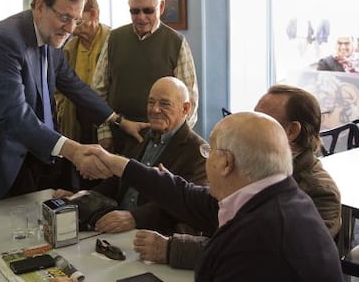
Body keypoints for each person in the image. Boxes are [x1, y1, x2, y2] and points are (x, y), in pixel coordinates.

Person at [0, 0, 148, 206]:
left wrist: (118, 120)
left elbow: (75, 86)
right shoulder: (4, 41)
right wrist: (73, 150)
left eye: (76, 20)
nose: (71, 28)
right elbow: (14, 115)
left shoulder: (52, 38)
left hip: (27, 152)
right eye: (64, 17)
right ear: (40, 7)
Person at [88, 112, 343, 281]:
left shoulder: (261, 240)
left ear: (226, 163)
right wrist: (116, 163)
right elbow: (183, 195)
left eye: (209, 151)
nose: (205, 158)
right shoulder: (274, 199)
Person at [128, 84, 342, 269]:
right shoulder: (254, 169)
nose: (252, 123)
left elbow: (257, 257)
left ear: (292, 131)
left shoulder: (320, 191)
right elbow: (204, 203)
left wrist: (171, 249)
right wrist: (124, 167)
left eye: (263, 119)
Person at [55, 77, 207, 234]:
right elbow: (115, 181)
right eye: (151, 102)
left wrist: (135, 217)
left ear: (185, 109)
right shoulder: (139, 135)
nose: (155, 110)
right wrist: (81, 198)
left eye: (164, 104)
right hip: (114, 230)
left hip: (153, 239)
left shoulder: (197, 152)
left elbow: (188, 207)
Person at [91, 0, 199, 153]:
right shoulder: (114, 39)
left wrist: (172, 139)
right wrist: (104, 132)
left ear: (161, 7)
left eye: (148, 10)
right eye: (135, 11)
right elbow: (98, 90)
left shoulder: (176, 43)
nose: (141, 17)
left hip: (160, 142)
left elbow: (189, 102)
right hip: (117, 137)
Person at [56, 0, 111, 144]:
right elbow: (59, 87)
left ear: (93, 14)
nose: (71, 28)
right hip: (75, 122)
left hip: (105, 120)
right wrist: (62, 110)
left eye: (78, 21)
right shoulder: (69, 47)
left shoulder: (112, 41)